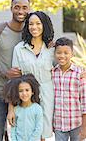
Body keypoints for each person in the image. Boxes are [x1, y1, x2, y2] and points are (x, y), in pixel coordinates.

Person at [0, 0, 30, 140]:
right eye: (17, 7)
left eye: (24, 7)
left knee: (21, 136)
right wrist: (5, 73)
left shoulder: (31, 33)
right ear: (11, 8)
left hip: (22, 94)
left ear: (29, 9)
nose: (20, 11)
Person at [8, 11, 55, 141]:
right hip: (26, 97)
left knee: (43, 133)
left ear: (44, 25)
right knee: (27, 133)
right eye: (31, 24)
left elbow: (64, 67)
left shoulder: (52, 49)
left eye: (38, 23)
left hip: (47, 94)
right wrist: (11, 108)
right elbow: (15, 81)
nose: (34, 27)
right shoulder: (19, 48)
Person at [52, 37, 86, 141]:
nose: (62, 56)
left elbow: (85, 102)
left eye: (66, 53)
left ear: (72, 54)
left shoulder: (80, 73)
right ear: (54, 53)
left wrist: (85, 127)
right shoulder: (52, 73)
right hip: (59, 124)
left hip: (76, 123)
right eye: (59, 52)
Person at [4, 73, 43, 141]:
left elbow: (38, 128)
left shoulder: (37, 109)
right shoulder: (16, 110)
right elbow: (13, 129)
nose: (24, 93)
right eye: (20, 91)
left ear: (32, 92)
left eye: (27, 90)